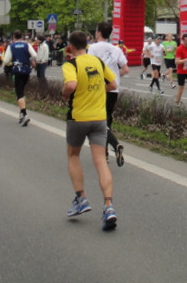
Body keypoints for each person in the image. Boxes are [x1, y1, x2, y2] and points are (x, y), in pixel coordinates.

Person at [62, 31, 118, 231]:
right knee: (101, 161)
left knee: (73, 156)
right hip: (99, 118)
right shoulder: (97, 62)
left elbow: (71, 84)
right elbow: (112, 84)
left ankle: (81, 198)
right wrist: (97, 91)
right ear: (86, 44)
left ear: (70, 47)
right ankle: (109, 206)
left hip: (78, 118)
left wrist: (65, 93)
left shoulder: (70, 65)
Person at [88, 22, 129, 166]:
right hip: (114, 89)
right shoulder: (116, 49)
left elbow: (90, 67)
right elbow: (125, 69)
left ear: (98, 33)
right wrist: (116, 76)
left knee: (98, 121)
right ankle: (104, 153)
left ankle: (114, 144)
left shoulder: (92, 48)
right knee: (107, 119)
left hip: (99, 89)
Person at [2, 30, 37, 126]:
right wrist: (28, 59)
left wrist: (10, 61)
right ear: (22, 36)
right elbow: (34, 55)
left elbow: (6, 60)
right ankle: (21, 113)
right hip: (26, 70)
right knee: (22, 90)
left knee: (19, 92)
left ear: (14, 37)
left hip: (17, 71)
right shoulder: (27, 45)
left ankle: (25, 114)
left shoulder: (11, 46)